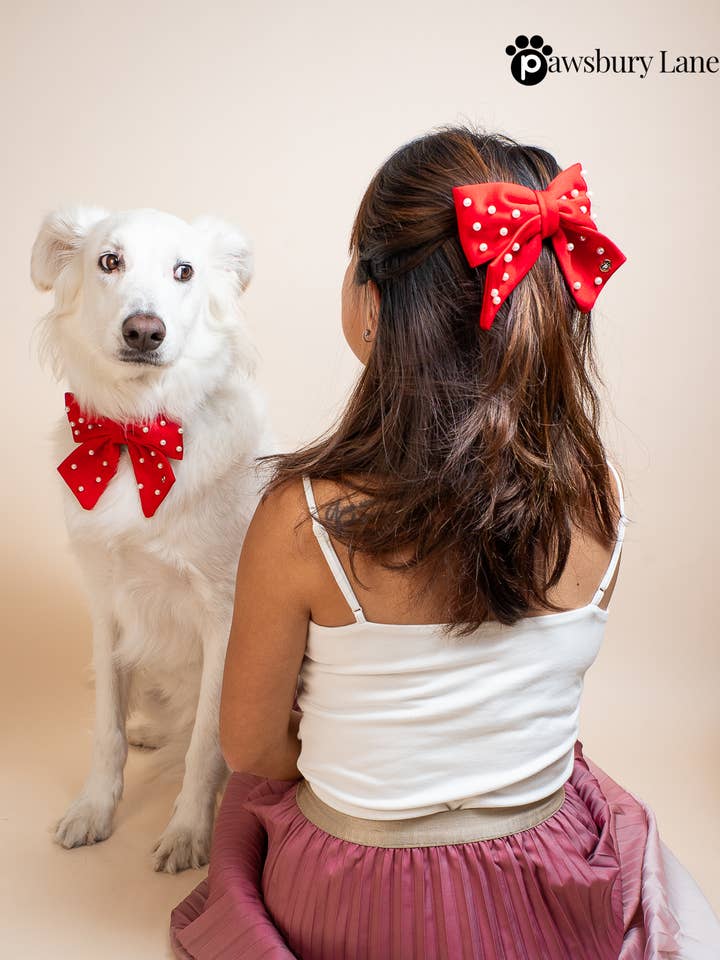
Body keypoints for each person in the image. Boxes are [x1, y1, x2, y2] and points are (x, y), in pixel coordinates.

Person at [169, 124, 720, 959]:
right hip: (550, 884)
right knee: (581, 778)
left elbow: (250, 746)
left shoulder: (303, 516)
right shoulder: (595, 496)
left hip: (355, 895)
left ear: (374, 304)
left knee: (250, 803)